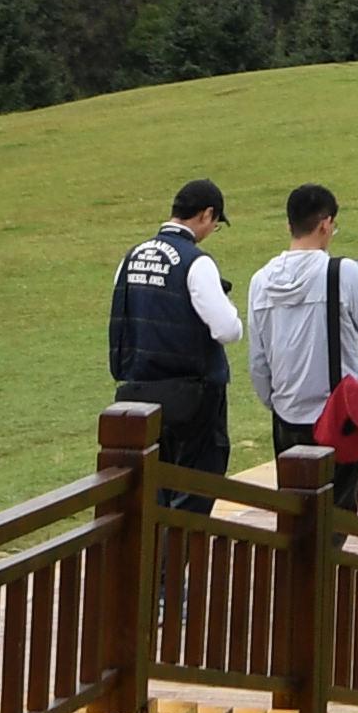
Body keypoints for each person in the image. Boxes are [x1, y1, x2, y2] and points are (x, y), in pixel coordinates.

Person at [246, 183, 358, 507]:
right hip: (337, 415)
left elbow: (258, 360)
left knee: (295, 514)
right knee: (336, 518)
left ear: (289, 225)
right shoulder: (341, 272)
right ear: (326, 223)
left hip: (287, 415)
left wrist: (276, 402)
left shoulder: (260, 280)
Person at [106, 180, 242, 505]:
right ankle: (173, 556)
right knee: (196, 488)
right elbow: (228, 330)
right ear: (207, 215)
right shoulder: (196, 262)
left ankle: (156, 556)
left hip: (137, 394)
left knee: (153, 492)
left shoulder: (131, 257)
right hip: (192, 397)